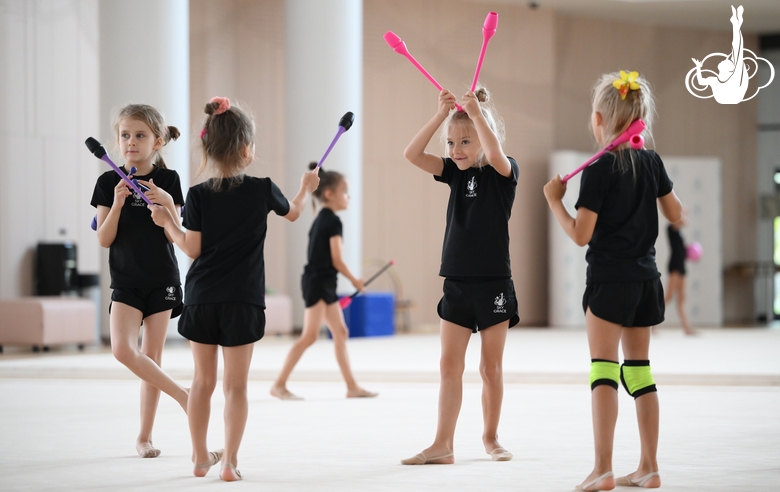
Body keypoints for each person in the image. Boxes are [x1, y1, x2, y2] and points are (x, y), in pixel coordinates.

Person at [148, 97, 320, 481]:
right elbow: (293, 212)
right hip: (243, 300)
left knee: (202, 382)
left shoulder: (198, 195)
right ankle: (229, 462)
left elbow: (191, 248)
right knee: (236, 387)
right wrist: (306, 187)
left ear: (207, 148)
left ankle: (198, 458)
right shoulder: (262, 189)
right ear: (246, 149)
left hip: (203, 298)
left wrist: (167, 223)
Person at [544, 71, 683, 490]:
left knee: (603, 370)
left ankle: (602, 467)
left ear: (601, 118)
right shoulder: (652, 161)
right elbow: (676, 215)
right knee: (639, 371)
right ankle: (649, 466)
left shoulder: (600, 168)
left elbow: (581, 235)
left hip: (608, 282)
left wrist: (555, 202)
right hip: (646, 281)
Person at [400, 87, 520, 465]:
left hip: (494, 285)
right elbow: (412, 154)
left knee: (490, 367)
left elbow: (496, 154)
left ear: (484, 137)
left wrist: (477, 116)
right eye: (452, 143)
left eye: (465, 142)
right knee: (449, 365)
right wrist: (441, 116)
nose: (457, 150)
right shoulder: (452, 172)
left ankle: (491, 437)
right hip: (457, 283)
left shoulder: (504, 171)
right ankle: (443, 444)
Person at [90, 103, 188, 459]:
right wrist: (117, 203)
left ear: (157, 141)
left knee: (152, 357)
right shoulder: (106, 182)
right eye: (125, 135)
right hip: (126, 282)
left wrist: (165, 205)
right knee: (122, 350)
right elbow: (104, 239)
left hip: (162, 278)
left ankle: (145, 437)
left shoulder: (169, 180)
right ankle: (184, 396)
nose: (131, 141)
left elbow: (176, 233)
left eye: (140, 135)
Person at [270, 162, 377, 400]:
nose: (349, 197)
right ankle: (278, 385)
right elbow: (337, 259)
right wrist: (356, 281)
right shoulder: (332, 221)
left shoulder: (323, 218)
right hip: (318, 283)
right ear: (329, 194)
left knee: (340, 331)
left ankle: (351, 387)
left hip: (323, 283)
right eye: (345, 192)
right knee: (309, 336)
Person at [665, 215, 696, 336]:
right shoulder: (671, 227)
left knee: (682, 298)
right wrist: (681, 213)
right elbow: (682, 221)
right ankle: (651, 325)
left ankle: (687, 328)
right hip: (675, 266)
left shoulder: (680, 231)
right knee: (668, 296)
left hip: (682, 266)